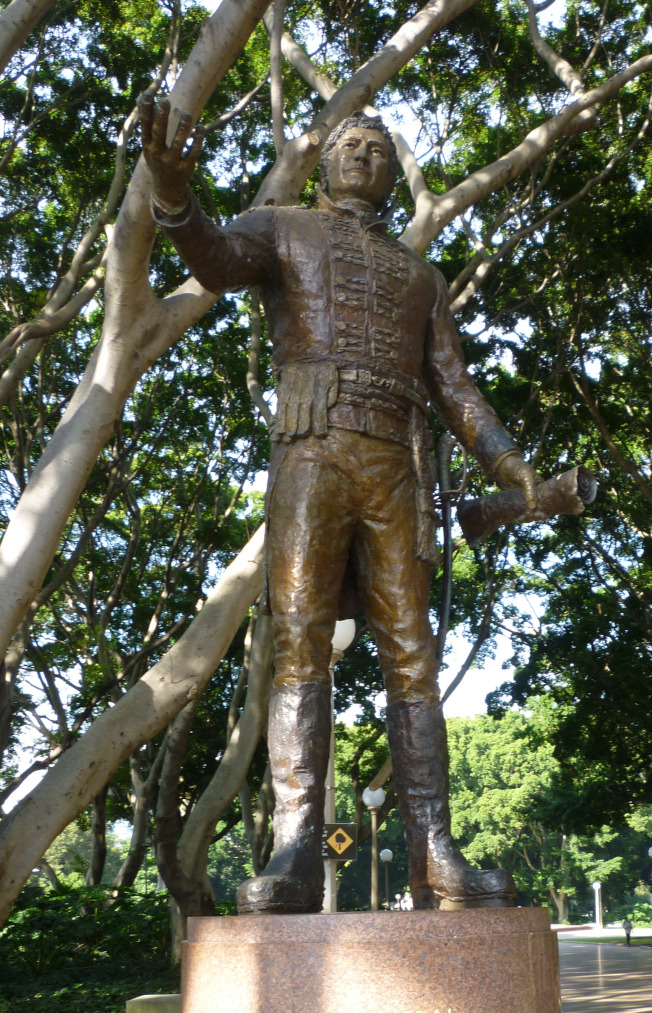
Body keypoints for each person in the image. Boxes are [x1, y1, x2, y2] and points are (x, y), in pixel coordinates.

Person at [140, 98, 541, 913]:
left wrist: (508, 464)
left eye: (378, 149)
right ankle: (293, 846)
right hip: (312, 450)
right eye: (350, 146)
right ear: (324, 164)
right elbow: (215, 261)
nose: (363, 157)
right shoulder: (281, 227)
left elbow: (455, 388)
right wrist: (174, 195)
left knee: (412, 654)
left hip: (396, 464)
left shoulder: (419, 276)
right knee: (299, 638)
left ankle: (435, 848)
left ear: (395, 174)